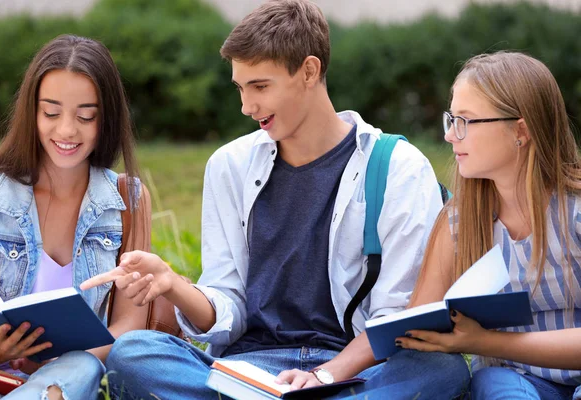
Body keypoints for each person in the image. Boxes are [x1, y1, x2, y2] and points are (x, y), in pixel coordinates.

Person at [83, 1, 470, 399]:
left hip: (351, 369)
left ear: (309, 70)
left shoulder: (398, 168)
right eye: (240, 87)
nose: (246, 107)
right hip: (248, 368)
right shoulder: (229, 167)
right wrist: (173, 285)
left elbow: (397, 318)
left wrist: (324, 375)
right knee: (133, 353)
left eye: (260, 87)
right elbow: (228, 300)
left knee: (440, 369)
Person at [393, 51, 581, 400]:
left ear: (520, 131)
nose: (451, 136)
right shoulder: (458, 224)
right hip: (513, 381)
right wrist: (329, 374)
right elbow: (414, 329)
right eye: (451, 119)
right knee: (495, 386)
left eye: (465, 121)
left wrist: (486, 342)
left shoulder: (574, 213)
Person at [0, 34, 151, 400]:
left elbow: (130, 326)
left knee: (82, 366)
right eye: (51, 113)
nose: (67, 131)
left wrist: (57, 363)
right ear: (32, 112)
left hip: (71, 379)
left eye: (86, 116)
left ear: (105, 119)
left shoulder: (127, 199)